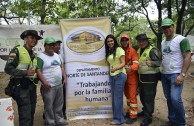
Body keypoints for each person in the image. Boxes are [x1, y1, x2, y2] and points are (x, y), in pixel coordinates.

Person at [4, 30, 43, 126]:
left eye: (36, 39)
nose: (34, 40)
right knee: (25, 114)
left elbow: (34, 71)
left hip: (32, 87)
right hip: (21, 87)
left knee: (31, 112)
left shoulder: (34, 54)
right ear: (25, 39)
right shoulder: (17, 50)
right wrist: (25, 72)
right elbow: (8, 69)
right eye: (32, 38)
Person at [161, 18, 191, 126]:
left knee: (175, 98)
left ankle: (181, 123)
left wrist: (182, 74)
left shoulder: (181, 39)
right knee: (169, 98)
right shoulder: (163, 42)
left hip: (176, 74)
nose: (166, 29)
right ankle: (172, 120)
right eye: (164, 27)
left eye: (168, 26)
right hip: (164, 74)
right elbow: (163, 57)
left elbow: (187, 57)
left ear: (173, 26)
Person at [36, 37, 68, 126]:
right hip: (48, 87)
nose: (52, 46)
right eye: (49, 45)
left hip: (59, 85)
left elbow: (61, 67)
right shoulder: (41, 56)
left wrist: (65, 78)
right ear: (45, 46)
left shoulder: (57, 55)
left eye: (53, 45)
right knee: (49, 107)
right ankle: (50, 123)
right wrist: (45, 83)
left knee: (59, 105)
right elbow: (38, 70)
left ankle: (60, 121)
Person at [136, 33, 161, 126]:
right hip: (141, 78)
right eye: (139, 41)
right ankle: (145, 111)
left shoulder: (152, 50)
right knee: (142, 96)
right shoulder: (139, 50)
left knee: (149, 98)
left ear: (147, 40)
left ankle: (148, 117)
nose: (141, 42)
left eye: (143, 41)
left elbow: (159, 62)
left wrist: (153, 63)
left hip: (150, 78)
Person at [104, 34, 127, 125]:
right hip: (112, 76)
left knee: (117, 98)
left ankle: (119, 120)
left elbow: (123, 63)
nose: (110, 43)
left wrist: (116, 68)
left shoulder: (119, 49)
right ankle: (117, 117)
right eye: (108, 41)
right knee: (114, 98)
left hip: (120, 75)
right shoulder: (110, 51)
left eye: (111, 41)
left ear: (114, 41)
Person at [120, 34, 139, 124]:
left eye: (126, 40)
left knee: (132, 97)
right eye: (123, 40)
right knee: (127, 96)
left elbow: (136, 64)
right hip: (123, 77)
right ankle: (129, 112)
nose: (124, 42)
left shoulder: (132, 51)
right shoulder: (119, 50)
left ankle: (133, 116)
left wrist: (131, 68)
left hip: (132, 77)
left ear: (128, 41)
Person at [53, 39, 67, 119]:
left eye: (59, 45)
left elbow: (63, 66)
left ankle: (62, 113)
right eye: (56, 45)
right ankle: (49, 116)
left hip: (62, 79)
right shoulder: (50, 55)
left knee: (62, 97)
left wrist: (65, 77)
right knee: (52, 98)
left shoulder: (62, 55)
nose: (58, 46)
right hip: (52, 80)